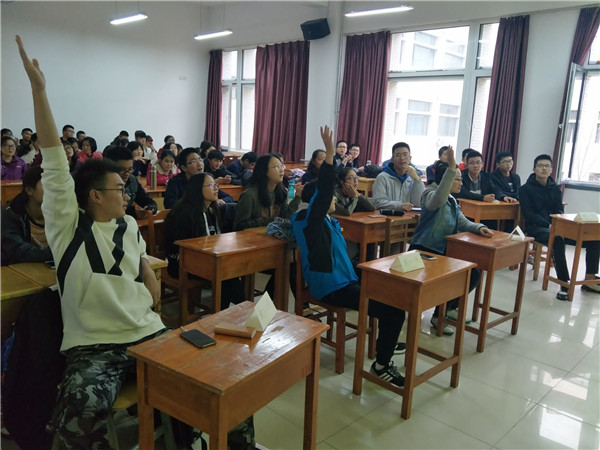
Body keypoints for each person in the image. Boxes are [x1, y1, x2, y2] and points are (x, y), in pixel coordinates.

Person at [17, 35, 166, 448]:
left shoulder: (130, 227)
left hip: (149, 335)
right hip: (95, 348)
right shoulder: (69, 227)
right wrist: (39, 91)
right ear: (95, 196)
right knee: (76, 423)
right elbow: (54, 162)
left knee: (209, 385)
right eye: (120, 188)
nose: (128, 193)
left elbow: (145, 275)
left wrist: (149, 281)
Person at [291, 126, 405, 387]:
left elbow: (341, 258)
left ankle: (386, 340)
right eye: (328, 198)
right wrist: (331, 154)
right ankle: (382, 364)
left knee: (394, 291)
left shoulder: (328, 222)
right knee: (394, 310)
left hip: (345, 278)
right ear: (318, 201)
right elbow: (323, 192)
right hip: (330, 287)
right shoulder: (308, 221)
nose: (333, 199)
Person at [410, 149, 492, 334]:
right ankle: (440, 313)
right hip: (424, 250)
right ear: (445, 180)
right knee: (449, 279)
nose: (461, 183)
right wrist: (452, 168)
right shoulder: (429, 194)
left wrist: (479, 227)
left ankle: (445, 311)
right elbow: (437, 200)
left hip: (443, 251)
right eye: (457, 179)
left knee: (473, 274)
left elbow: (462, 221)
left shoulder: (453, 200)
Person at [519, 154, 600, 300]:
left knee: (594, 239)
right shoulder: (525, 189)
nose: (544, 169)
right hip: (536, 227)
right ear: (534, 169)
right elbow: (529, 215)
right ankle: (563, 282)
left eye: (547, 166)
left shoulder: (555, 188)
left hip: (556, 225)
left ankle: (590, 279)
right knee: (557, 239)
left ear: (551, 170)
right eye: (540, 166)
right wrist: (549, 224)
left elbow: (559, 210)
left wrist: (560, 224)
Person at [164, 172, 245, 310]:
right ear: (197, 189)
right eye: (211, 185)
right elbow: (179, 249)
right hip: (182, 264)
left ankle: (225, 314)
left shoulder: (211, 210)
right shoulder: (183, 214)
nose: (216, 188)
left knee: (230, 272)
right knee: (227, 274)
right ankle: (243, 312)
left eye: (216, 185)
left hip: (207, 260)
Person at [233, 153, 302, 230]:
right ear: (264, 171)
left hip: (272, 235)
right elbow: (240, 226)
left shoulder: (281, 192)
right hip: (252, 237)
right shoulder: (249, 195)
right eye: (277, 167)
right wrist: (270, 220)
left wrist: (297, 198)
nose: (282, 170)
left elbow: (286, 218)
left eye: (282, 166)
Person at [1, 165, 53, 265]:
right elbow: (18, 251)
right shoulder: (10, 215)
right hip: (20, 271)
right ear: (29, 190)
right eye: (47, 184)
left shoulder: (60, 212)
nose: (54, 189)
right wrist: (58, 253)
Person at [164, 147, 233, 209]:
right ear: (184, 167)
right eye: (194, 161)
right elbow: (169, 204)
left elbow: (229, 198)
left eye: (200, 160)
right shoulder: (175, 182)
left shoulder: (206, 179)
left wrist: (220, 201)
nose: (199, 164)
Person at [102, 145, 158, 218]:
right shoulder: (101, 183)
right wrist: (132, 212)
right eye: (122, 170)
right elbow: (104, 210)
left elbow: (146, 200)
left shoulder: (132, 180)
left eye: (130, 169)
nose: (127, 173)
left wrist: (150, 207)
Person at [372, 142, 424, 212]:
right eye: (398, 155)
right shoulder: (382, 177)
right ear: (393, 159)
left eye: (405, 154)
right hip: (388, 217)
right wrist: (399, 206)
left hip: (408, 217)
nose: (402, 158)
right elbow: (377, 202)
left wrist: (417, 180)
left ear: (410, 158)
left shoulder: (412, 179)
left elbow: (418, 203)